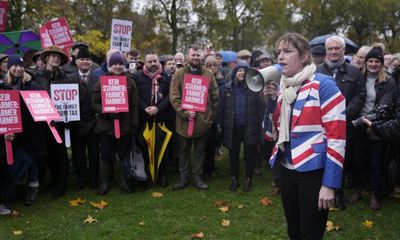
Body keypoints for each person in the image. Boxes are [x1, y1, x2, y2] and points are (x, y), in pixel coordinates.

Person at [265, 33, 346, 239]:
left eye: (288, 51)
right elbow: (273, 132)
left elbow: (337, 139)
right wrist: (270, 103)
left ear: (304, 56)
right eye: (279, 52)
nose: (281, 57)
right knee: (294, 231)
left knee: (311, 234)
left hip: (313, 173)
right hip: (286, 170)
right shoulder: (285, 85)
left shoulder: (325, 85)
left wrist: (329, 184)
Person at [316, 35, 365, 210]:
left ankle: (338, 194)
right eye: (330, 49)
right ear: (326, 51)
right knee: (322, 157)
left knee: (341, 160)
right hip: (321, 126)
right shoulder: (317, 71)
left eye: (337, 48)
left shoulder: (354, 72)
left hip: (344, 125)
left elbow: (360, 95)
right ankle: (321, 190)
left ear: (344, 50)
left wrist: (344, 114)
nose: (334, 51)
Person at [349, 45, 396, 210]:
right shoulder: (358, 77)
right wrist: (359, 121)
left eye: (377, 61)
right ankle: (358, 189)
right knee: (358, 159)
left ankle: (375, 194)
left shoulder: (388, 80)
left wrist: (370, 122)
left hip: (377, 125)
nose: (374, 64)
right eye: (371, 61)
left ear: (382, 64)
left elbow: (386, 105)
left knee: (376, 161)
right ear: (366, 62)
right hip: (358, 126)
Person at [170, 44, 219, 191]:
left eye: (198, 55)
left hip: (202, 122)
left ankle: (197, 177)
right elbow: (174, 97)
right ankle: (184, 178)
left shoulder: (208, 75)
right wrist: (184, 112)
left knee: (199, 152)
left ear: (201, 57)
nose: (196, 58)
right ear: (188, 57)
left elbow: (215, 97)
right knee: (184, 151)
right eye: (193, 55)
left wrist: (210, 117)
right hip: (184, 122)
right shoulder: (179, 74)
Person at [92, 52, 139, 195]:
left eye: (120, 64)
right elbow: (94, 102)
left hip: (124, 126)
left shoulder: (130, 82)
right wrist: (106, 111)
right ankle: (104, 182)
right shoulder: (101, 81)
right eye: (114, 64)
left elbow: (134, 105)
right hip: (107, 127)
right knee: (105, 155)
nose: (117, 67)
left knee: (124, 154)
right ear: (109, 66)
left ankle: (125, 181)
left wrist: (134, 124)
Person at [1, 55, 45, 206]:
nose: (18, 69)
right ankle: (13, 189)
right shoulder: (4, 86)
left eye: (21, 66)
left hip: (32, 131)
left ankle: (33, 188)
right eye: (15, 66)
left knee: (31, 160)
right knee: (15, 162)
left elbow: (42, 103)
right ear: (9, 68)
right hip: (14, 133)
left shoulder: (32, 85)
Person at [219, 62, 262, 192]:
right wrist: (220, 124)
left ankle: (248, 179)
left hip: (249, 126)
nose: (241, 73)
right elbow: (222, 108)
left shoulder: (254, 88)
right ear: (234, 73)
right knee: (233, 154)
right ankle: (234, 179)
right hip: (233, 127)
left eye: (244, 71)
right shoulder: (228, 88)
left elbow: (259, 108)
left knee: (249, 154)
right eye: (239, 70)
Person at [36, 45, 71, 198]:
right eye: (53, 56)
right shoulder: (37, 77)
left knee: (61, 153)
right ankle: (53, 180)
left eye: (59, 57)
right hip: (44, 123)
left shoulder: (66, 78)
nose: (56, 58)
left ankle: (61, 184)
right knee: (48, 153)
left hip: (61, 122)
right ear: (46, 59)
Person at [135, 51, 171, 187]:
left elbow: (169, 96)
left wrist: (158, 108)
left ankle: (162, 175)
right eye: (150, 61)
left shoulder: (167, 77)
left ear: (158, 62)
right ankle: (148, 176)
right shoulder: (138, 76)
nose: (153, 64)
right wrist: (145, 108)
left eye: (155, 61)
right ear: (145, 63)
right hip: (145, 119)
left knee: (162, 148)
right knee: (145, 149)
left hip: (162, 118)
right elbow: (135, 95)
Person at [69, 48, 100, 189]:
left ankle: (94, 178)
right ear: (76, 62)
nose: (85, 62)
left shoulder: (98, 79)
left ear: (91, 62)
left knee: (94, 153)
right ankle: (82, 178)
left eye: (87, 59)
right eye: (82, 59)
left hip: (93, 121)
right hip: (76, 122)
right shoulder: (70, 79)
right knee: (78, 152)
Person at [203, 56, 225, 180]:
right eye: (209, 66)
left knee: (213, 144)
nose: (212, 68)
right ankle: (204, 168)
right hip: (204, 117)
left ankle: (210, 168)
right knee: (204, 145)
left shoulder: (222, 82)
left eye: (214, 66)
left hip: (217, 117)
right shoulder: (202, 80)